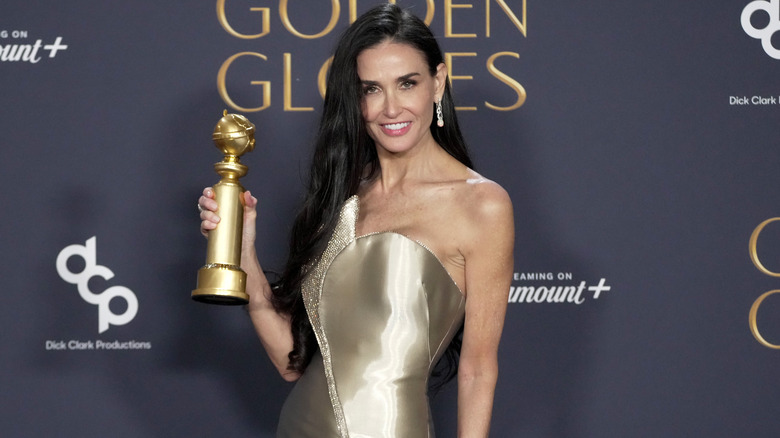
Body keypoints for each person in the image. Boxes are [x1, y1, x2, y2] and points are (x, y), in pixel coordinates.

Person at [198, 4, 514, 437]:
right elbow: (292, 362)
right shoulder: (343, 197)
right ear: (356, 98)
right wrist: (243, 249)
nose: (390, 108)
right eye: (371, 89)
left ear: (438, 83)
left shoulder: (481, 205)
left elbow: (478, 370)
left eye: (407, 83)